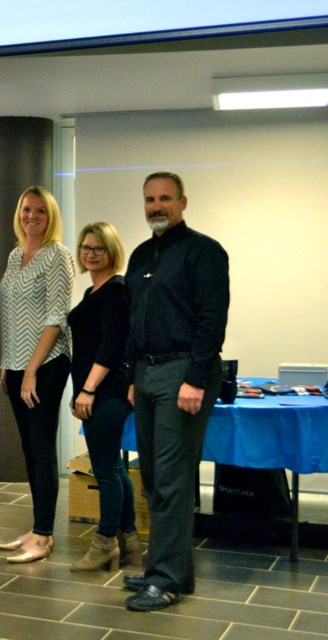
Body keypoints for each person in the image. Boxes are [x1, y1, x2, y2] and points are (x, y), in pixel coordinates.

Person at [121, 172, 229, 611]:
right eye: (149, 199)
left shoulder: (204, 251)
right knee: (152, 480)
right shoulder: (141, 254)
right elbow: (134, 320)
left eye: (165, 198)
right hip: (146, 375)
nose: (156, 206)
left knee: (172, 480)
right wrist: (131, 377)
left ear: (183, 202)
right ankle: (168, 571)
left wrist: (196, 379)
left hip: (183, 371)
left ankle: (165, 579)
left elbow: (212, 319)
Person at [0, 185, 74, 563]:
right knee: (29, 448)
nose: (32, 216)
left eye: (40, 211)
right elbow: (12, 313)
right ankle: (36, 526)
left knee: (42, 448)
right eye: (26, 209)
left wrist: (29, 371)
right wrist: (7, 364)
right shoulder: (15, 256)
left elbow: (56, 316)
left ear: (51, 216)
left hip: (46, 365)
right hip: (16, 365)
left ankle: (44, 536)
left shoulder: (57, 256)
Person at [67, 222, 139, 572]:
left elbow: (111, 346)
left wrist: (88, 389)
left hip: (106, 392)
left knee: (107, 470)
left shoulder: (116, 290)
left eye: (98, 248)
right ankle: (129, 541)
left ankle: (104, 543)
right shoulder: (93, 291)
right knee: (113, 467)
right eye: (85, 247)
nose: (90, 253)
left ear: (112, 251)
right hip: (95, 391)